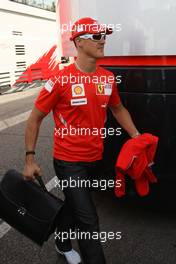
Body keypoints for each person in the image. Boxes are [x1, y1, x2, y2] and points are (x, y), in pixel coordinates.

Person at [23, 17, 140, 264]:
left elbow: (118, 109)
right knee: (88, 219)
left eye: (104, 36)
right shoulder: (60, 80)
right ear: (79, 41)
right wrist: (29, 159)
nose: (103, 41)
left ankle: (62, 239)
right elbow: (34, 119)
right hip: (68, 162)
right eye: (97, 36)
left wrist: (136, 137)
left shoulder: (107, 78)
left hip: (96, 159)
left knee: (75, 206)